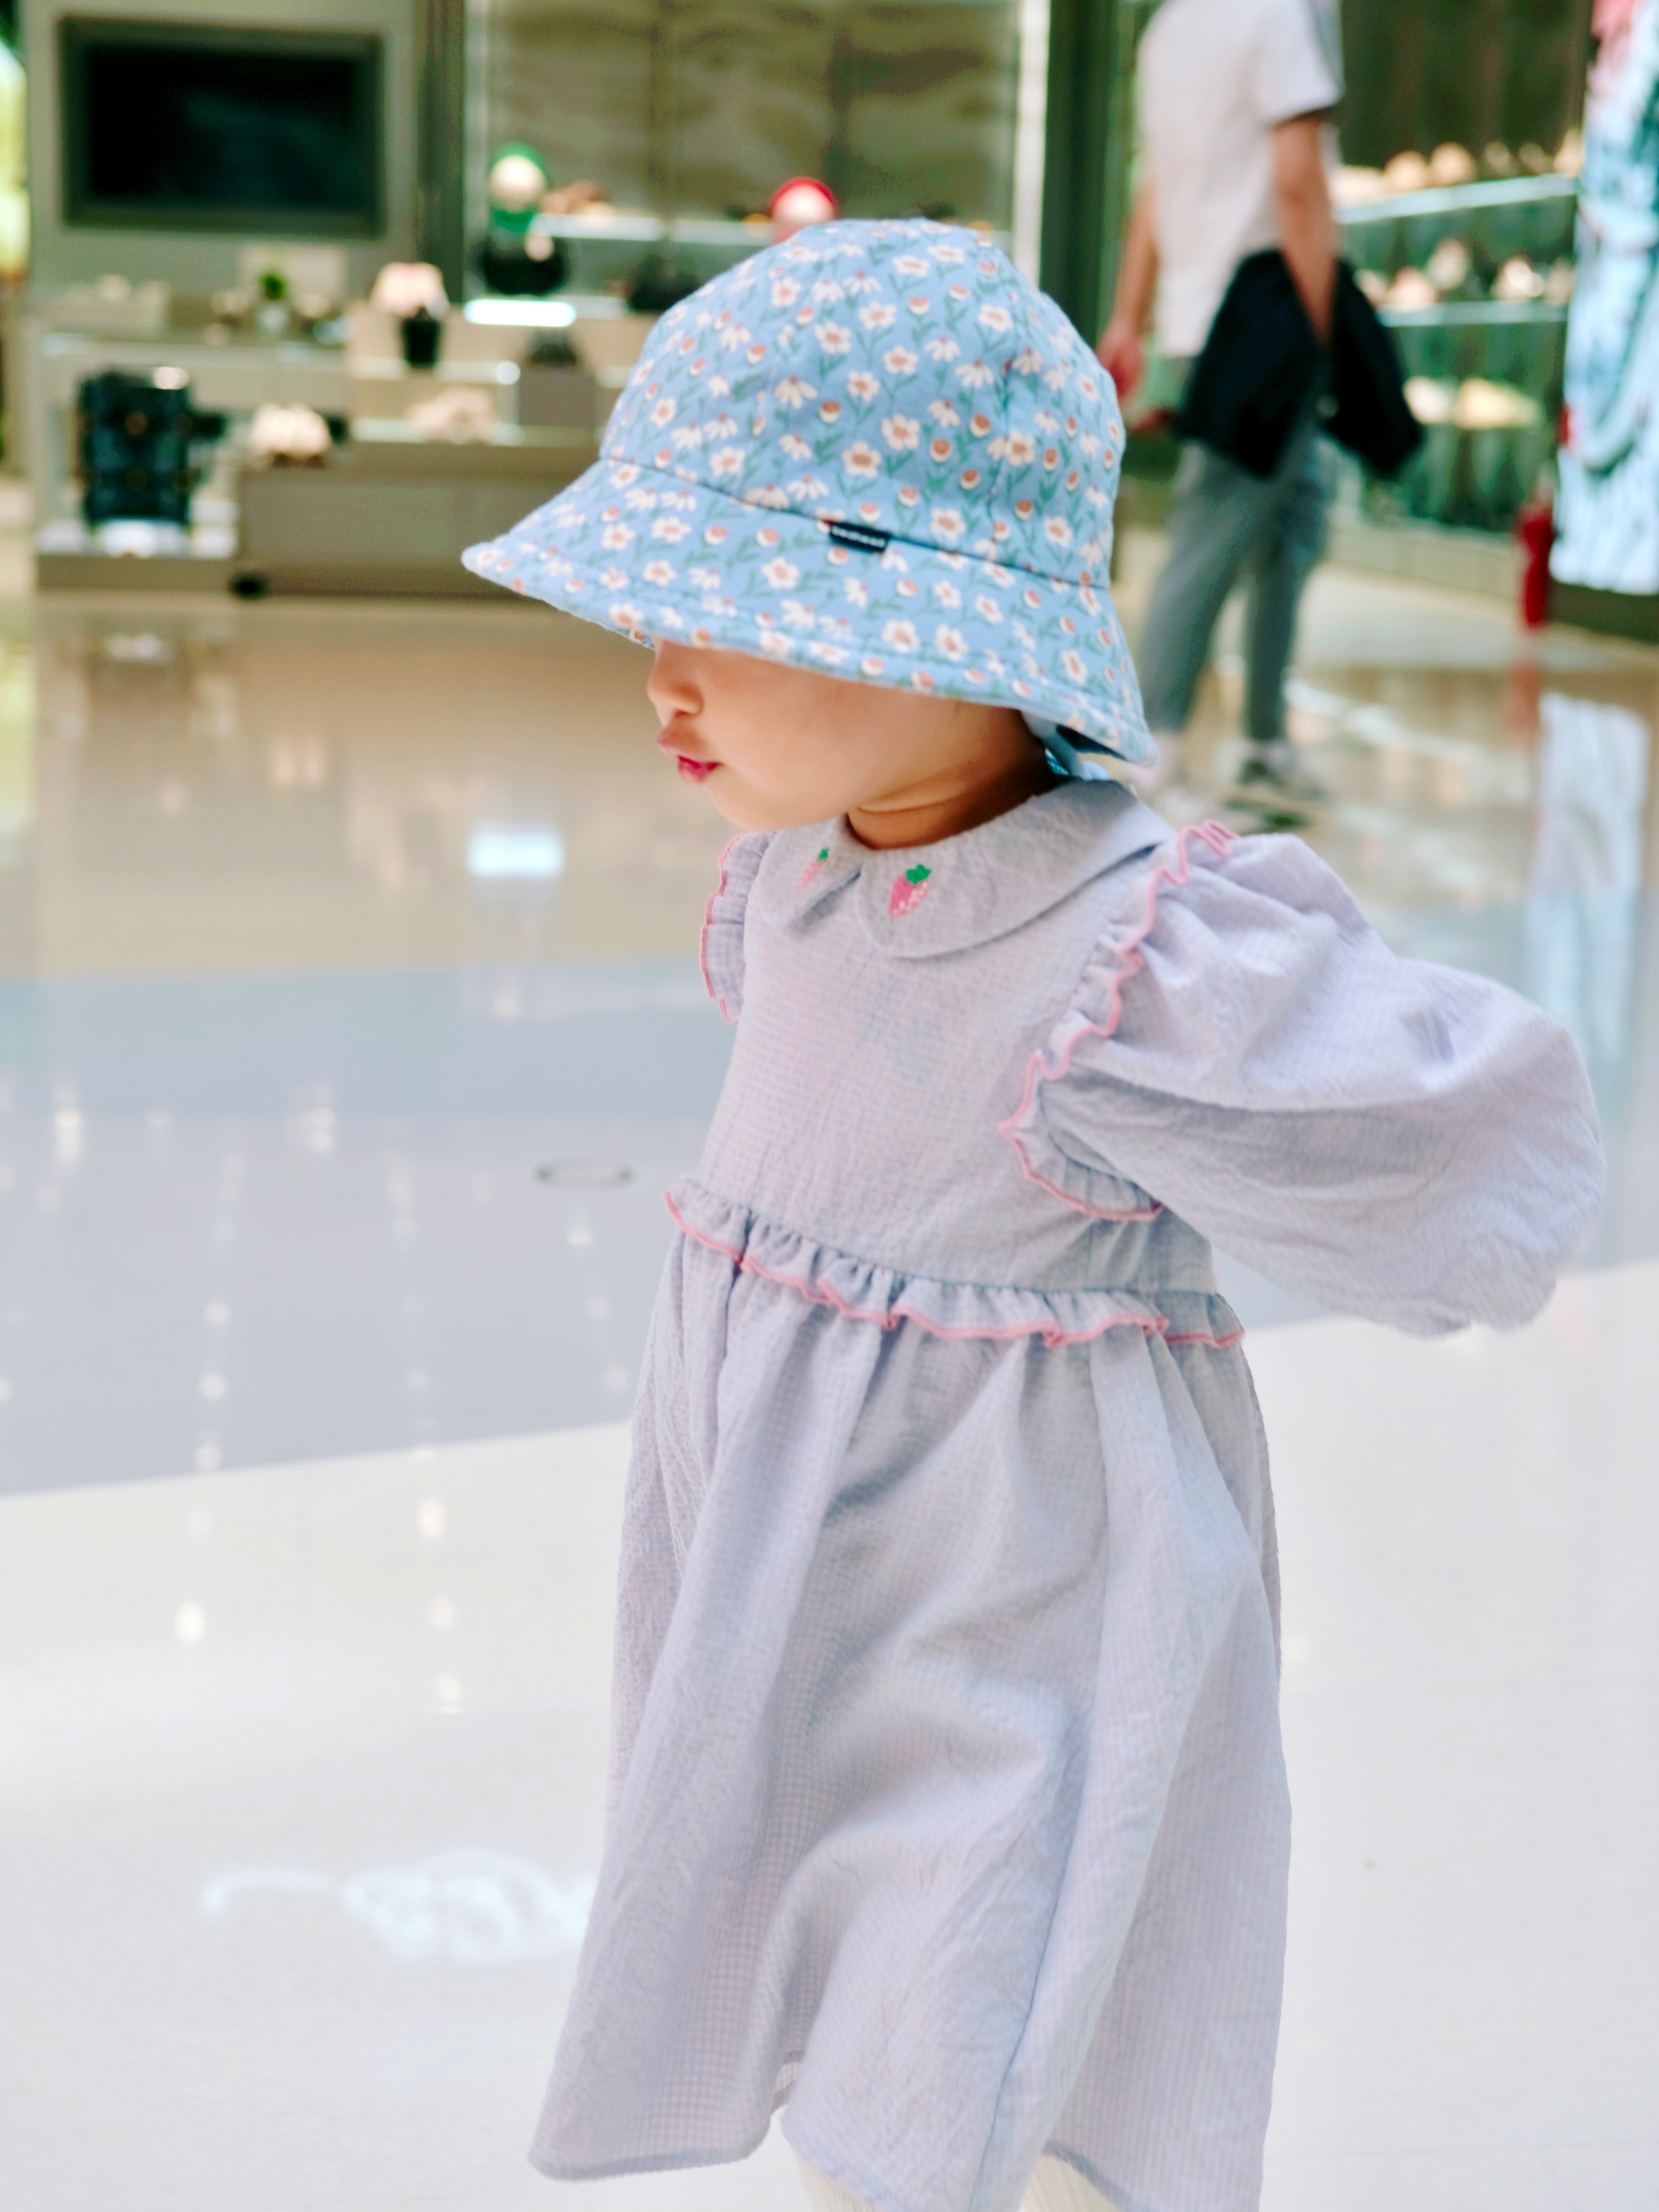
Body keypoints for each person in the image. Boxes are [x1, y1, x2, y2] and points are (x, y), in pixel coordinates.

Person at [465, 221, 1601, 2212]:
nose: (663, 674)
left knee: (966, 2018)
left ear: (943, 631)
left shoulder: (1121, 957)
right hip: (783, 1591)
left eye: (727, 608)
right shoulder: (791, 890)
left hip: (1011, 1629)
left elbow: (1457, 1133)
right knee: (826, 1983)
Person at [1098, 0, 1343, 814]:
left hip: (1208, 316)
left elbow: (1155, 185)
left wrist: (1129, 316)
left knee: (1292, 525)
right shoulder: (1278, 14)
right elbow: (1298, 183)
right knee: (1211, 533)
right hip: (1267, 318)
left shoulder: (1170, 28)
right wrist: (1321, 331)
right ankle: (1153, 748)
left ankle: (1263, 744)